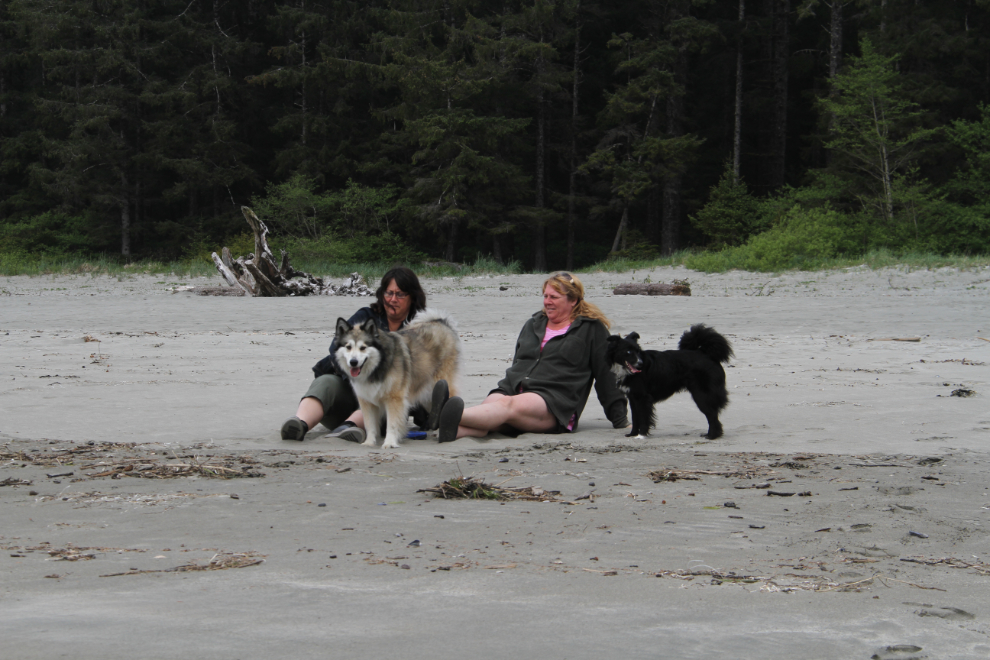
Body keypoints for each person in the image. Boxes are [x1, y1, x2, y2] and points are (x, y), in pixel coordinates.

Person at [434, 271, 629, 442]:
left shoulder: (591, 329)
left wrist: (619, 419)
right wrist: (508, 388)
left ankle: (444, 413)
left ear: (573, 300)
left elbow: (607, 375)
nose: (547, 302)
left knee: (505, 406)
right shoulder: (533, 324)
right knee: (492, 409)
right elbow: (518, 363)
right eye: (545, 296)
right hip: (513, 389)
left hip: (552, 401)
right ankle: (449, 430)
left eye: (554, 297)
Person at [280, 267, 434, 442]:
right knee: (325, 382)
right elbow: (335, 349)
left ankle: (349, 428)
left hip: (385, 411)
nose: (392, 299)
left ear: (412, 297)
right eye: (388, 293)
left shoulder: (419, 330)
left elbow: (424, 378)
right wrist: (356, 378)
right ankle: (299, 424)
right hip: (346, 397)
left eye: (400, 295)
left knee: (379, 394)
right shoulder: (365, 316)